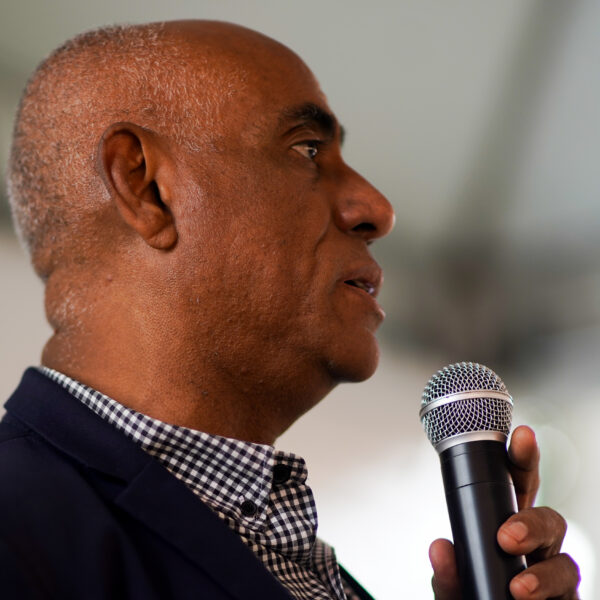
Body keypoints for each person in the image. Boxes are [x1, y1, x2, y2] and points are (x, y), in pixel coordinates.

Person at [2, 20, 579, 600]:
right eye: (306, 149)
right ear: (147, 189)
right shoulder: (20, 532)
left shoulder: (278, 551)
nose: (378, 210)